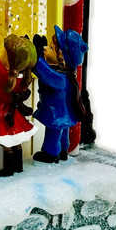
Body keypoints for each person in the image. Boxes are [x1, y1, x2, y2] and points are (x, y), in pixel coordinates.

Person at [0, 35, 37, 177]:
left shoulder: (6, 77)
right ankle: (18, 166)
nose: (2, 54)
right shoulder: (23, 78)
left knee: (5, 143)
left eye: (4, 52)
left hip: (5, 113)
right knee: (16, 141)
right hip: (15, 114)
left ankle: (8, 169)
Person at [31, 26, 88, 163]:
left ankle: (50, 153)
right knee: (63, 131)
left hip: (56, 114)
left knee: (54, 131)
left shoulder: (59, 78)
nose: (46, 48)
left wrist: (37, 57)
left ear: (61, 58)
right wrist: (42, 52)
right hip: (64, 113)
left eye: (51, 48)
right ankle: (63, 150)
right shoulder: (66, 76)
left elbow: (43, 71)